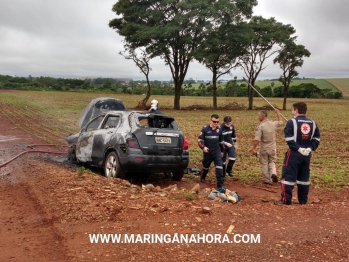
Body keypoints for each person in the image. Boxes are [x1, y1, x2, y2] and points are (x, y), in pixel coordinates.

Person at [275, 102, 320, 205]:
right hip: (307, 155)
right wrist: (310, 148)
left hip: (294, 154)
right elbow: (317, 138)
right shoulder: (313, 123)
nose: (292, 112)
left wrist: (299, 148)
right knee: (304, 178)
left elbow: (289, 138)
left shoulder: (291, 122)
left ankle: (286, 200)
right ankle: (303, 201)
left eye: (292, 110)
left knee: (288, 176)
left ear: (296, 110)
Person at [250, 109, 284, 185]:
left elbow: (257, 140)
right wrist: (278, 113)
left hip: (264, 148)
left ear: (262, 116)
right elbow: (281, 122)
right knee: (272, 162)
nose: (258, 117)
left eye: (259, 115)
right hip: (272, 147)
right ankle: (273, 173)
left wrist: (253, 148)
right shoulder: (272, 123)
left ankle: (267, 180)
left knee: (264, 163)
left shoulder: (261, 126)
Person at [198, 114, 225, 191]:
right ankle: (203, 176)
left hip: (217, 151)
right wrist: (203, 147)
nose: (216, 123)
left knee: (219, 166)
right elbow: (200, 141)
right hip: (208, 152)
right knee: (206, 166)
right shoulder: (205, 129)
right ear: (210, 121)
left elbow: (221, 142)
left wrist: (222, 151)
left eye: (217, 122)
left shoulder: (219, 130)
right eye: (214, 121)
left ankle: (220, 184)